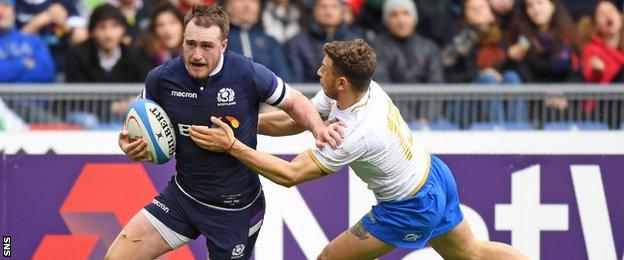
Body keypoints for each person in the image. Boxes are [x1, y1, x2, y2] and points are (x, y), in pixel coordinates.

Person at [193, 39, 529, 259]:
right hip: (434, 175)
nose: (318, 71)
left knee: (329, 258)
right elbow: (300, 121)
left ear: (341, 81)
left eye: (324, 68)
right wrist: (243, 122)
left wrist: (233, 145)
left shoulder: (355, 133)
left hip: (408, 206)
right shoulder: (361, 89)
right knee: (472, 253)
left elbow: (290, 174)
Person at [105, 4, 338, 260]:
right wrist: (128, 141)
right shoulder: (161, 79)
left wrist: (319, 130)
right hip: (183, 198)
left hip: (236, 210)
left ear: (224, 46)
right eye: (190, 43)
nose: (196, 54)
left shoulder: (247, 73)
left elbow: (295, 101)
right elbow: (139, 118)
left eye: (207, 46)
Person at [223, 0, 293, 81]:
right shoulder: (219, 39)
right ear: (227, 6)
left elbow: (284, 79)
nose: (247, 5)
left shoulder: (270, 42)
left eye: (253, 1)